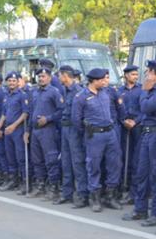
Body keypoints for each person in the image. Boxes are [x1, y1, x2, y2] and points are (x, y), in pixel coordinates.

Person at [122, 60, 156, 226]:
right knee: (141, 173)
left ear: (155, 73)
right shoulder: (151, 89)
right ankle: (140, 210)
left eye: (148, 72)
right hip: (147, 133)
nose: (146, 75)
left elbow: (146, 107)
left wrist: (144, 91)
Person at [72, 68, 123, 212]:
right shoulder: (81, 97)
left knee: (115, 164)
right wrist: (88, 131)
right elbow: (76, 120)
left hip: (110, 133)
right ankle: (94, 197)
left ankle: (110, 196)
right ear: (94, 81)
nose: (105, 81)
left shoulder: (106, 93)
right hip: (94, 135)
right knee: (93, 166)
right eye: (102, 80)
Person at [54, 65, 88, 207]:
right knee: (66, 162)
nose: (58, 78)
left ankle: (82, 195)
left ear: (65, 76)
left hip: (74, 130)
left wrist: (79, 131)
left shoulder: (78, 91)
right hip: (65, 128)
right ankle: (67, 193)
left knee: (77, 163)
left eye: (60, 75)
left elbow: (80, 114)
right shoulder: (66, 90)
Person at [28, 68, 64, 200]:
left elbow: (61, 111)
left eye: (43, 76)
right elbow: (31, 112)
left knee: (51, 159)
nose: (41, 79)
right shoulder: (35, 92)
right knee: (37, 160)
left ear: (49, 78)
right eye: (39, 77)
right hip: (35, 130)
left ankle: (53, 188)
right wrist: (27, 131)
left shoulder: (54, 92)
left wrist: (48, 119)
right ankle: (40, 186)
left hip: (48, 130)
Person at [0, 72, 28, 193]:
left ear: (18, 82)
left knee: (20, 157)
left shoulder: (22, 95)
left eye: (14, 80)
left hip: (18, 130)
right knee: (10, 156)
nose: (11, 83)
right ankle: (13, 180)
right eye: (10, 81)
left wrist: (13, 126)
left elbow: (25, 114)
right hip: (7, 130)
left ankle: (24, 182)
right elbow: (4, 114)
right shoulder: (7, 96)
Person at [118, 65, 143, 205]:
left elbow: (144, 109)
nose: (135, 76)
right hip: (124, 127)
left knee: (137, 158)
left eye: (136, 74)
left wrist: (135, 121)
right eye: (133, 74)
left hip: (137, 126)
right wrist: (123, 121)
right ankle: (123, 186)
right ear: (126, 75)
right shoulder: (119, 91)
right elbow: (117, 109)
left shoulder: (141, 90)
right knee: (123, 156)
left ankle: (135, 189)